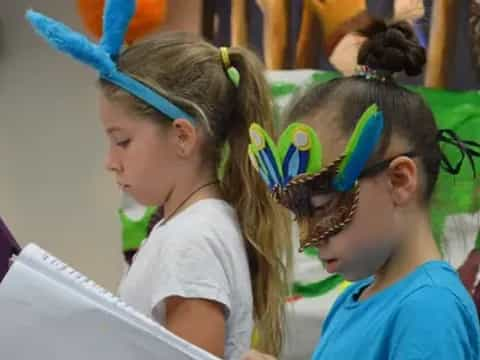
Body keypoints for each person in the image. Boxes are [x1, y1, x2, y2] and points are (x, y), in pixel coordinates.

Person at [25, 1, 291, 358]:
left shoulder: (191, 242)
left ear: (182, 136)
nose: (110, 162)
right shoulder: (188, 229)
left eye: (123, 141)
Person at [243, 21, 480, 360]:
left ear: (399, 180)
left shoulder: (429, 311)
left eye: (322, 206)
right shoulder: (354, 298)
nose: (308, 237)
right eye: (299, 214)